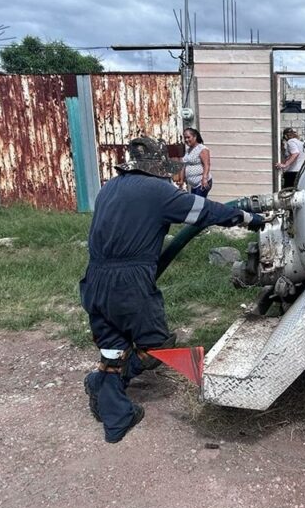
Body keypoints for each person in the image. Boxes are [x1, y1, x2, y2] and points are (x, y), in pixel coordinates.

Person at [81, 136, 264, 443]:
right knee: (157, 344)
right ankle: (110, 396)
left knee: (112, 343)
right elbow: (204, 212)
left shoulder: (109, 188)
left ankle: (107, 392)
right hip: (130, 282)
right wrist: (247, 217)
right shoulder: (157, 191)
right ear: (157, 166)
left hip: (94, 278)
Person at [182, 127, 212, 197]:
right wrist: (182, 180)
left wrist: (204, 179)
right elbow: (185, 165)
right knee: (196, 204)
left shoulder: (202, 149)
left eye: (188, 137)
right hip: (194, 185)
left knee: (199, 205)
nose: (186, 140)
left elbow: (206, 165)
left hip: (201, 183)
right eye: (185, 138)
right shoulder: (188, 150)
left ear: (195, 137)